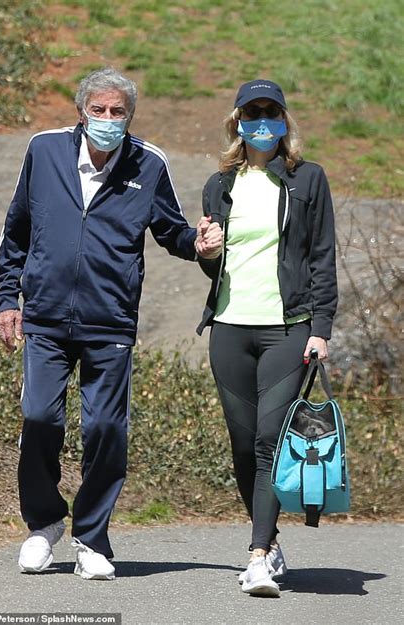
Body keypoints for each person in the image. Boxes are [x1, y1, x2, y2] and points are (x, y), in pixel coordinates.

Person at [0, 67, 222, 580]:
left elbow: (171, 231)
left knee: (104, 429)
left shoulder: (149, 163)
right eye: (98, 110)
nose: (107, 119)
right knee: (39, 418)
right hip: (46, 316)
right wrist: (8, 297)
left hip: (110, 322)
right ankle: (44, 524)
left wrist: (199, 245)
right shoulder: (44, 150)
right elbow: (17, 231)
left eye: (118, 112)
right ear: (81, 112)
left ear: (130, 118)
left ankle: (91, 538)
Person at [197, 79, 337, 597]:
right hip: (230, 328)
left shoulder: (308, 180)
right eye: (251, 112)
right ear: (236, 121)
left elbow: (323, 257)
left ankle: (256, 558)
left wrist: (320, 329)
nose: (261, 120)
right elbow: (211, 263)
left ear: (283, 120)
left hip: (288, 329)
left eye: (270, 111)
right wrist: (205, 251)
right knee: (241, 442)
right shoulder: (220, 183)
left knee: (268, 440)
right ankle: (270, 539)